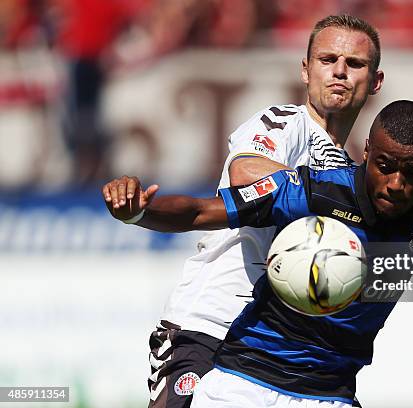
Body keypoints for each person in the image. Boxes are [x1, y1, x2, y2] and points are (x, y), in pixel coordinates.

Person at [105, 100, 413, 407]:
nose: (396, 183)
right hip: (244, 384)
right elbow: (200, 211)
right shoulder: (311, 192)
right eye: (384, 165)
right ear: (366, 151)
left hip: (331, 393)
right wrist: (138, 211)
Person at [102, 14, 384, 408]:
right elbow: (245, 173)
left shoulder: (350, 173)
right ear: (305, 70)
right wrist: (326, 198)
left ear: (375, 81)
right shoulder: (285, 123)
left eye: (354, 64)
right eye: (327, 60)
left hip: (273, 348)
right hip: (208, 328)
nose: (339, 71)